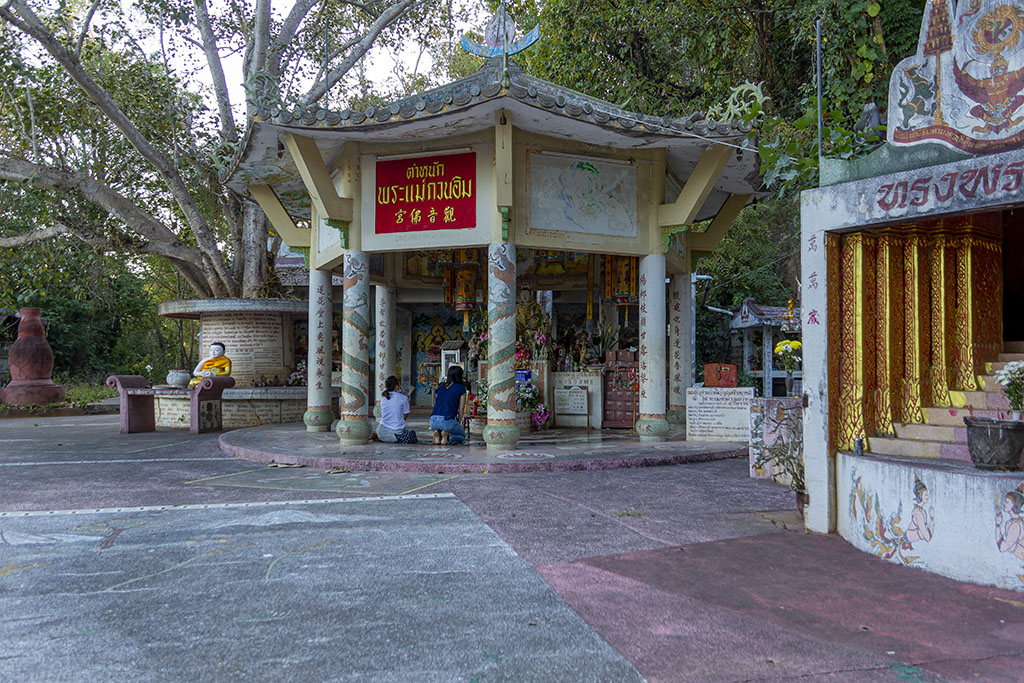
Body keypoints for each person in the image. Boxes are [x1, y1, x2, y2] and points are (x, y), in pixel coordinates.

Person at [430, 365, 467, 445]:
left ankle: (437, 433)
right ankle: (445, 434)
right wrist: (459, 422)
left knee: (442, 425)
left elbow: (437, 402)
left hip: (433, 420)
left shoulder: (441, 387)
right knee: (461, 436)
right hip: (446, 420)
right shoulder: (461, 388)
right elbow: (461, 408)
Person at [376, 376, 417, 444]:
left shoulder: (383, 399)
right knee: (410, 435)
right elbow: (405, 417)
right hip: (397, 432)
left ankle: (377, 437)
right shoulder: (404, 398)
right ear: (396, 386)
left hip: (381, 433)